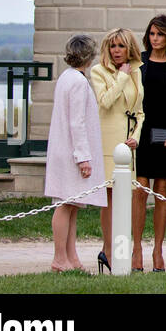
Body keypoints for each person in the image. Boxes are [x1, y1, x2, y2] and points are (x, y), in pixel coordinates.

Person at [45, 34, 108, 272]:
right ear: (89, 56)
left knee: (72, 205)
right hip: (72, 153)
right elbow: (77, 122)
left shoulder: (67, 78)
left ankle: (71, 257)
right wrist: (83, 157)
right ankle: (60, 257)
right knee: (65, 204)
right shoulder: (79, 82)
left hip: (64, 150)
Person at [131, 14, 166, 272]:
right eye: (152, 34)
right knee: (140, 189)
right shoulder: (138, 63)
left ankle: (158, 250)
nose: (155, 39)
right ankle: (136, 250)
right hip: (141, 132)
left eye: (160, 34)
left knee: (162, 190)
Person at [89, 27, 145, 274]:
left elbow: (140, 110)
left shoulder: (136, 72)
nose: (117, 51)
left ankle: (124, 251)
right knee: (110, 199)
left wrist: (136, 136)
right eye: (113, 46)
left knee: (128, 198)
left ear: (129, 48)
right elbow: (105, 101)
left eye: (121, 46)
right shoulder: (98, 71)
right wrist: (121, 77)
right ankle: (108, 250)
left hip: (128, 144)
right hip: (108, 141)